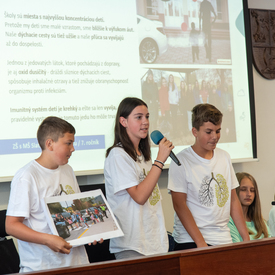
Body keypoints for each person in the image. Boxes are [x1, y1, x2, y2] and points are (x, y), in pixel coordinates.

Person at [5, 116, 102, 273]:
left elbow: (76, 209)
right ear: (49, 144)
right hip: (43, 267)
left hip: (76, 263)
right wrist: (48, 239)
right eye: (68, 143)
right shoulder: (27, 176)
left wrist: (92, 231)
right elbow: (11, 225)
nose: (73, 149)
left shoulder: (68, 170)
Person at [168, 103, 249, 250]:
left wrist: (246, 238)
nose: (214, 137)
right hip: (191, 241)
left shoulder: (224, 157)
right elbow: (179, 205)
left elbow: (233, 199)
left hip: (223, 239)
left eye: (218, 131)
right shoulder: (181, 161)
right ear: (195, 131)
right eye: (208, 131)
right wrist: (201, 243)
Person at [104, 97, 173, 259]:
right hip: (132, 245)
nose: (145, 122)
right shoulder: (118, 155)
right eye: (138, 117)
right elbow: (140, 197)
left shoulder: (145, 156)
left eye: (147, 117)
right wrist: (160, 161)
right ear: (123, 121)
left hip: (154, 242)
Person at [228, 172, 271, 242]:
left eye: (252, 190)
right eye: (243, 189)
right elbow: (236, 248)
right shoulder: (229, 221)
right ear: (235, 191)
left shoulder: (261, 222)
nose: (249, 194)